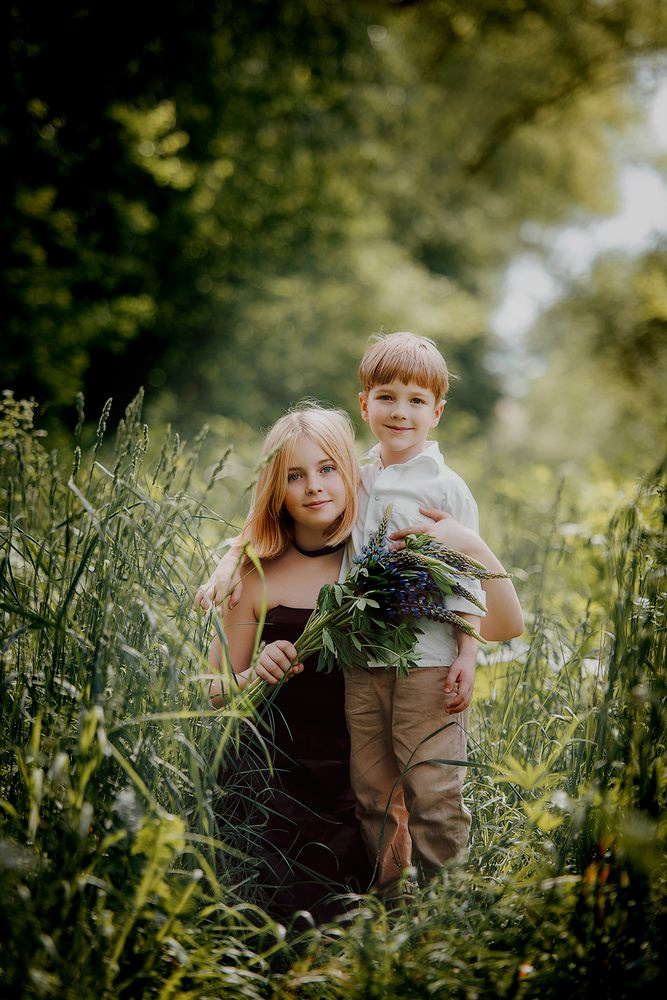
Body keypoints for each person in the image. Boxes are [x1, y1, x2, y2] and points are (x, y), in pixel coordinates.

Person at [208, 403, 373, 923]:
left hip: (358, 779)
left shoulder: (369, 561)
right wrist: (254, 673)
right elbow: (211, 690)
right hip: (271, 781)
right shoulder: (255, 576)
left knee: (349, 922)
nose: (314, 487)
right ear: (276, 489)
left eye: (327, 469)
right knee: (277, 926)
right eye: (294, 476)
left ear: (350, 473)